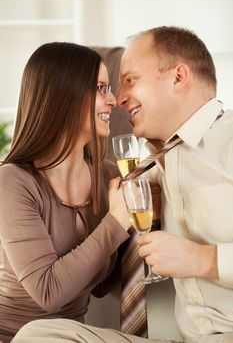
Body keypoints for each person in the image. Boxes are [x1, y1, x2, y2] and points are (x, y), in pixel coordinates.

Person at [11, 26, 233, 343]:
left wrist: (204, 259)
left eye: (130, 80)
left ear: (179, 77)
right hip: (186, 340)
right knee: (37, 335)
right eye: (107, 87)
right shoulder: (148, 173)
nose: (119, 99)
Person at [0, 42, 132, 343]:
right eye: (100, 88)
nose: (112, 100)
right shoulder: (13, 180)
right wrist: (115, 222)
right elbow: (50, 293)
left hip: (68, 337)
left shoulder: (107, 175)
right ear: (64, 94)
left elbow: (96, 286)